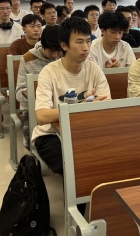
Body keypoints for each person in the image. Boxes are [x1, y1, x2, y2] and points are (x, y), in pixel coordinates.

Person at [32, 17, 111, 176]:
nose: (86, 47)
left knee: (109, 158)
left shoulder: (94, 69)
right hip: (50, 134)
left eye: (88, 41)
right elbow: (41, 116)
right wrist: (83, 107)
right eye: (79, 42)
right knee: (74, 167)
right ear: (64, 45)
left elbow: (106, 106)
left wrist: (89, 107)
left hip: (85, 129)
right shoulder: (49, 72)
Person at [15, 26, 62, 149]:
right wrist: (34, 93)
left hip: (59, 104)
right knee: (32, 139)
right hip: (33, 108)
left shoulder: (64, 56)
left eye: (58, 51)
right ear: (42, 45)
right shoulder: (27, 59)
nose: (55, 55)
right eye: (51, 51)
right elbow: (19, 94)